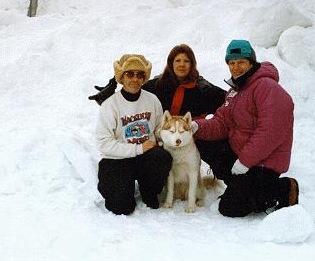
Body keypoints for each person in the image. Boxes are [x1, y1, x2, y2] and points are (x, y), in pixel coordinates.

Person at [192, 39, 299, 217]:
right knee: (201, 139)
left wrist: (244, 162)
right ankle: (238, 185)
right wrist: (196, 127)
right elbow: (221, 123)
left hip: (264, 163)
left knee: (230, 208)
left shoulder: (267, 87)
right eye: (232, 63)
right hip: (242, 156)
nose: (236, 67)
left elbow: (270, 133)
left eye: (241, 62)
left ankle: (283, 188)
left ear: (251, 63)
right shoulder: (236, 90)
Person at [90, 44, 226, 173]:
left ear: (192, 64)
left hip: (190, 137)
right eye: (178, 60)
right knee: (160, 158)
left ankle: (231, 184)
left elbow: (231, 102)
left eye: (187, 61)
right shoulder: (157, 85)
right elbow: (132, 88)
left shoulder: (202, 88)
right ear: (171, 63)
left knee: (220, 149)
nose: (182, 64)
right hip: (164, 139)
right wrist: (111, 91)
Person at [96, 54, 172, 215]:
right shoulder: (110, 105)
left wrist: (170, 135)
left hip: (146, 157)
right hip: (118, 160)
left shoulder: (152, 100)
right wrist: (137, 148)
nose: (135, 79)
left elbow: (159, 129)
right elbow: (104, 143)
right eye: (129, 74)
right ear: (121, 77)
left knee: (162, 157)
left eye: (140, 74)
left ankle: (148, 189)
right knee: (121, 208)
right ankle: (120, 186)